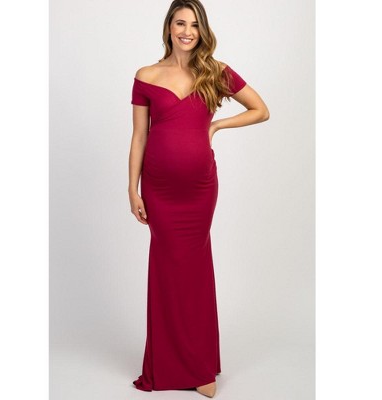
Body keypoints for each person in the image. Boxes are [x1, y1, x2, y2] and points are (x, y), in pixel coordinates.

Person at [128, 0, 269, 397]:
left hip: (199, 190)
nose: (187, 31)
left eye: (194, 24)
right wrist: (131, 188)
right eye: (180, 23)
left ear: (202, 30)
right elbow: (139, 136)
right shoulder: (146, 75)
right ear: (169, 28)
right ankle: (168, 364)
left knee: (193, 271)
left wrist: (218, 125)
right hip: (159, 189)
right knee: (166, 271)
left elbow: (261, 110)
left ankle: (199, 365)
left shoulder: (215, 72)